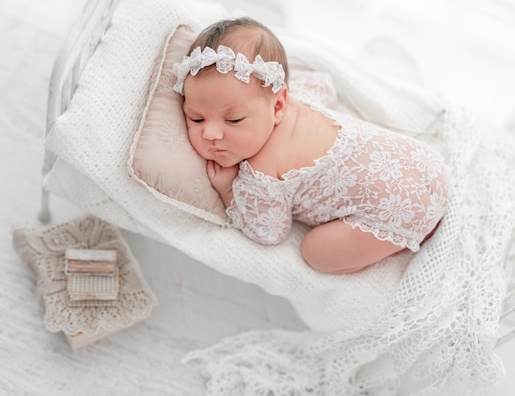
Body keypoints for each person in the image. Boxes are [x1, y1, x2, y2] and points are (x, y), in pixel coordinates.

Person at [173, 17, 449, 274]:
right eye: (196, 118)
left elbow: (268, 232)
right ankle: (406, 226)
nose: (210, 133)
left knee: (315, 254)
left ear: (278, 105)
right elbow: (323, 85)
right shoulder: (301, 98)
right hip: (423, 161)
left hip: (401, 213)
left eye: (233, 120)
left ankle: (399, 241)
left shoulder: (263, 174)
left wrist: (227, 190)